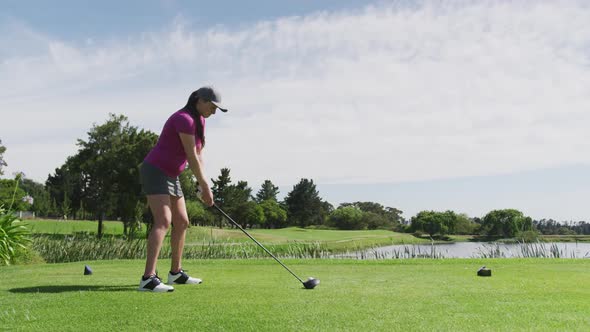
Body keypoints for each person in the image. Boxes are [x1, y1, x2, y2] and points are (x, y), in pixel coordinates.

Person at [137, 86, 228, 292]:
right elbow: (191, 156)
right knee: (163, 220)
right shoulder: (184, 119)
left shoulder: (200, 121)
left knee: (183, 221)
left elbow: (199, 155)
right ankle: (148, 278)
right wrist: (204, 187)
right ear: (200, 100)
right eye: (213, 107)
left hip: (172, 174)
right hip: (156, 170)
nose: (214, 112)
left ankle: (175, 273)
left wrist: (203, 184)